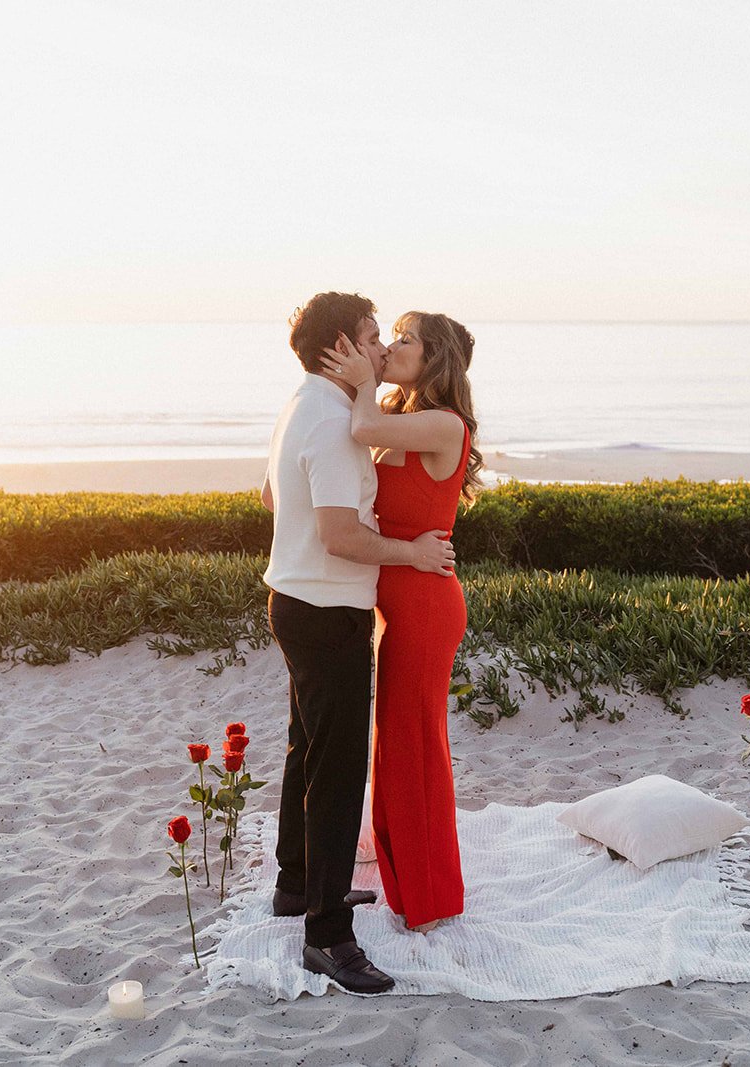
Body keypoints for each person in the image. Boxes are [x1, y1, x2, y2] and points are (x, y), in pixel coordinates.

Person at [260, 291, 456, 994]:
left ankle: (295, 884)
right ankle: (328, 936)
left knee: (304, 746)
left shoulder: (302, 404)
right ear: (339, 346)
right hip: (328, 609)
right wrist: (409, 551)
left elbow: (269, 497)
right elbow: (343, 536)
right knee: (336, 772)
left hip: (294, 597)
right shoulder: (337, 421)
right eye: (372, 337)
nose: (379, 349)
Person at [319, 311, 482, 932]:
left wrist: (362, 379)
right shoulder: (404, 420)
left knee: (414, 752)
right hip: (397, 606)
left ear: (435, 356)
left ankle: (431, 896)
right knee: (396, 751)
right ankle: (408, 886)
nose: (391, 346)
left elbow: (361, 426)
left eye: (405, 339)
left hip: (425, 607)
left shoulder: (442, 423)